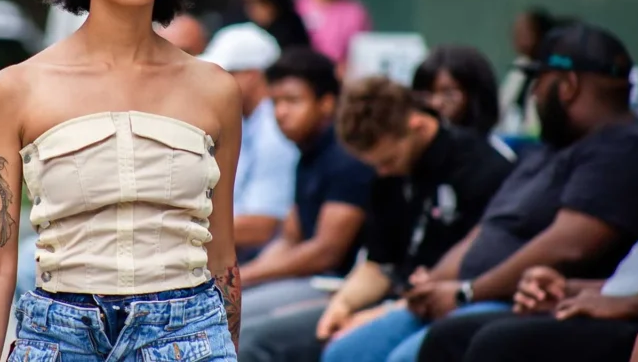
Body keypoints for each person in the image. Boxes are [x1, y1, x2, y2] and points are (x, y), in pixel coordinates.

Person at [0, 0, 241, 362]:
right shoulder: (15, 90)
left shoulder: (215, 90)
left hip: (188, 338)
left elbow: (221, 255)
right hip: (57, 338)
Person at [320, 22, 638, 362]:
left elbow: (569, 246)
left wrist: (466, 293)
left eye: (539, 82)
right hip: (461, 293)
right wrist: (431, 284)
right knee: (344, 353)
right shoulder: (549, 150)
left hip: (506, 298)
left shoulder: (624, 149)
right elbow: (488, 231)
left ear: (567, 86)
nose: (535, 94)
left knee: (418, 354)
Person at [238, 76, 513, 362]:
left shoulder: (480, 168)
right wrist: (343, 304)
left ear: (416, 124)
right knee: (258, 337)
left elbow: (481, 261)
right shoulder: (388, 176)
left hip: (444, 300)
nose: (382, 171)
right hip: (390, 299)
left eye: (389, 160)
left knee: (343, 352)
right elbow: (380, 264)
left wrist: (379, 314)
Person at [237, 48, 375, 326]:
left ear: (326, 103)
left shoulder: (347, 157)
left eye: (292, 100)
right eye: (275, 102)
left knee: (241, 322)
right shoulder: (307, 154)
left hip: (341, 286)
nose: (281, 112)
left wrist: (245, 277)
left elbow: (326, 252)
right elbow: (291, 237)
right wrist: (242, 275)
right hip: (309, 280)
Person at [417, 211, 638, 362]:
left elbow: (571, 245)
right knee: (449, 336)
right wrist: (564, 288)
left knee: (503, 343)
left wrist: (628, 303)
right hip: (628, 302)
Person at [199, 23, 299, 262]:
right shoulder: (246, 120)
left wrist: (175, 231)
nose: (208, 82)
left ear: (252, 76)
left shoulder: (274, 129)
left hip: (265, 260)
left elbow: (262, 226)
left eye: (223, 73)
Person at [411, 45, 516, 160]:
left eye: (448, 93)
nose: (435, 103)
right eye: (427, 94)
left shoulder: (497, 159)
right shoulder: (407, 160)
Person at [497, 7, 556, 135]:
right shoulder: (518, 66)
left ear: (540, 33)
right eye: (514, 32)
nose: (516, 37)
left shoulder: (554, 70)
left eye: (523, 32)